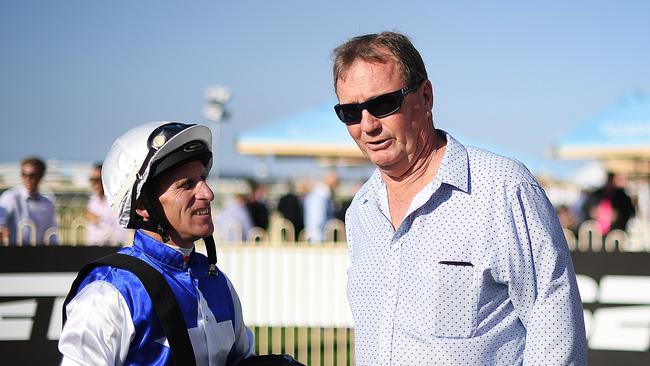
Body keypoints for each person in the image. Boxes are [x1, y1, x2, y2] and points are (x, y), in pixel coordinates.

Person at [332, 32, 586, 365]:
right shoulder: (362, 211)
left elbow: (557, 336)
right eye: (350, 112)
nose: (367, 125)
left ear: (425, 97)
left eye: (382, 105)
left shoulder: (502, 189)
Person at [59, 122, 254, 365]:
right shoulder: (109, 293)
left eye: (202, 178)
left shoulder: (218, 282)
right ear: (142, 206)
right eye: (187, 184)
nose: (207, 193)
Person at [0, 156, 58, 245]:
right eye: (24, 174)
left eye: (32, 175)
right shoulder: (10, 197)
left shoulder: (48, 204)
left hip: (37, 255)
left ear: (41, 176)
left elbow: (52, 233)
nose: (27, 179)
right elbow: (1, 221)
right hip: (13, 254)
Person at [85, 162, 130, 245]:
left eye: (97, 180)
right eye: (91, 180)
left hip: (110, 250)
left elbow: (121, 236)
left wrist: (99, 220)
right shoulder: (93, 201)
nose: (94, 183)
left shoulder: (117, 202)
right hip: (92, 249)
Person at [303, 170, 338, 242]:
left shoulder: (317, 194)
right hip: (318, 238)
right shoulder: (321, 195)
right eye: (337, 181)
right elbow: (318, 221)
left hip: (315, 236)